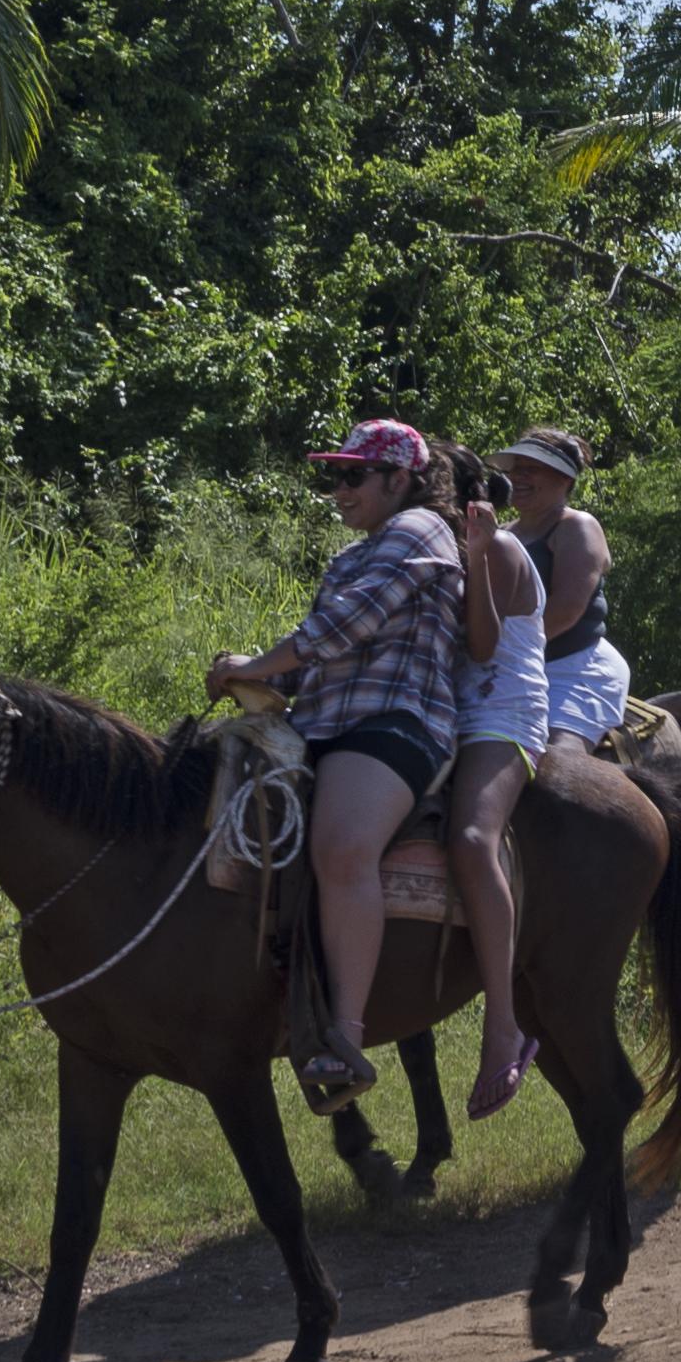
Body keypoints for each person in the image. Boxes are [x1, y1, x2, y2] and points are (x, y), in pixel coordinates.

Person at [208, 418, 468, 1113]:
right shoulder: (353, 556)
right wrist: (259, 683)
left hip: (395, 723)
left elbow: (344, 630)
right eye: (335, 475)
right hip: (324, 725)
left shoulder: (421, 532)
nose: (338, 489)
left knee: (342, 848)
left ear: (399, 478)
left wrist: (254, 663)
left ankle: (344, 1036)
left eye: (353, 475)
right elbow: (321, 660)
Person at [439, 454, 551, 1120]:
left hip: (500, 710)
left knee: (474, 838)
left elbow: (482, 648)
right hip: (445, 708)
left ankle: (502, 1023)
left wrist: (478, 552)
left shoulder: (501, 550)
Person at [498, 424, 625, 766]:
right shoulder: (500, 532)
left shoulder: (576, 525)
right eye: (516, 468)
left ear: (565, 480)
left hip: (574, 667)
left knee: (555, 761)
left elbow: (566, 609)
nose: (518, 477)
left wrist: (499, 647)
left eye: (532, 469)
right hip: (513, 666)